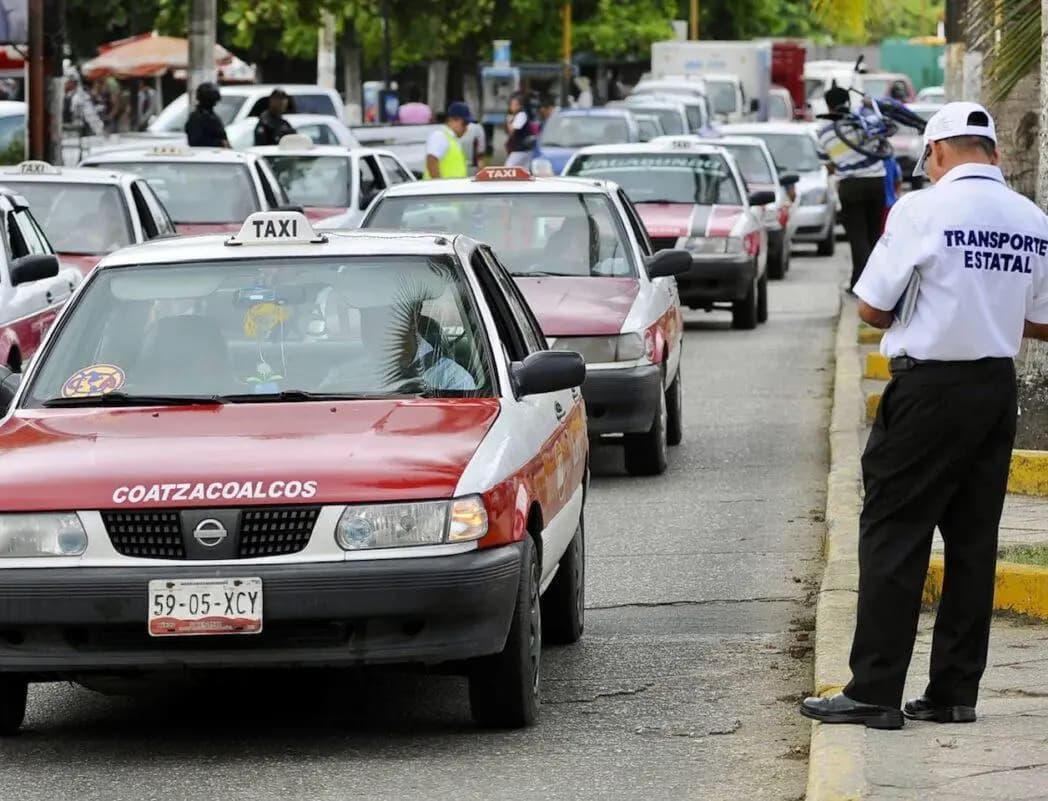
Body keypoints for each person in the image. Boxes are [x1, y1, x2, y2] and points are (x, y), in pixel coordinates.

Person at [800, 103, 1048, 731]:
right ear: (991, 153)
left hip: (927, 390)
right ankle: (953, 693)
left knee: (893, 533)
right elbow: (1044, 321)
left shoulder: (919, 209)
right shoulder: (1031, 219)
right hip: (993, 390)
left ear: (936, 152)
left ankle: (875, 692)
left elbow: (872, 310)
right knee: (973, 542)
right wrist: (985, 306)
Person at [818, 85, 886, 290]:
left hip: (850, 186)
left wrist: (841, 161)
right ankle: (869, 282)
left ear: (828, 106)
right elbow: (881, 141)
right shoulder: (863, 123)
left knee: (858, 237)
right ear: (848, 101)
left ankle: (866, 286)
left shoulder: (824, 133)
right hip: (876, 181)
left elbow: (827, 165)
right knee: (875, 235)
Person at [423, 101, 471, 179]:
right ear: (452, 120)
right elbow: (432, 162)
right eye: (464, 124)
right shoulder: (440, 136)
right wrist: (439, 186)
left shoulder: (452, 140)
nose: (466, 128)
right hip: (441, 190)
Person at [185, 82, 229, 148]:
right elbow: (195, 141)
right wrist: (220, 143)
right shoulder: (197, 118)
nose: (215, 103)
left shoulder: (212, 115)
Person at [63, 69, 104, 137]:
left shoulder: (80, 97)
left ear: (73, 82)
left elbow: (91, 116)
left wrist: (99, 131)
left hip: (78, 134)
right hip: (67, 133)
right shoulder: (66, 95)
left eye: (67, 82)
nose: (64, 84)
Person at [504, 93, 535, 168]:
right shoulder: (515, 116)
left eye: (516, 104)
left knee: (508, 168)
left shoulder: (521, 115)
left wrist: (508, 121)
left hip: (521, 149)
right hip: (522, 149)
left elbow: (512, 131)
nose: (513, 107)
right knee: (523, 171)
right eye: (512, 104)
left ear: (520, 105)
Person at [881, 155, 903, 233]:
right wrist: (896, 195)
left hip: (874, 204)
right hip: (889, 203)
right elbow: (898, 179)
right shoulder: (890, 159)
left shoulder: (869, 160)